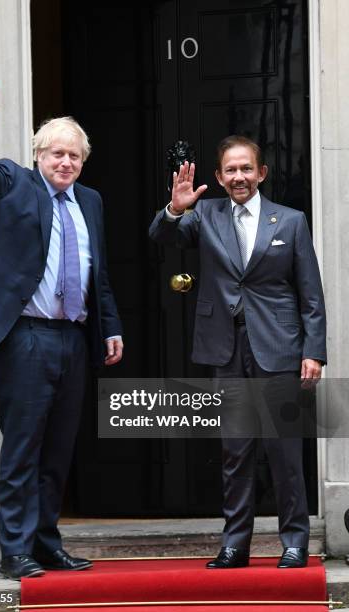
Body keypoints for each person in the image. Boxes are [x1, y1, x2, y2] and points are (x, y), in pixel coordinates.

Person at [0, 75, 123, 580]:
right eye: (56, 154)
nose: (64, 163)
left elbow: (99, 273)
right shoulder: (11, 182)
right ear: (38, 155)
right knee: (24, 447)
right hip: (25, 336)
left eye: (73, 156)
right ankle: (16, 550)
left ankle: (46, 543)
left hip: (73, 337)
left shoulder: (90, 201)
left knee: (58, 449)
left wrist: (110, 326)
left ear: (82, 162)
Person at [149, 135, 326, 569]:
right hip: (226, 348)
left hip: (279, 348)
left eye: (246, 168)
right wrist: (175, 208)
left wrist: (314, 351)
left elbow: (311, 295)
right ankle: (235, 544)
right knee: (236, 450)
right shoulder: (204, 214)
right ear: (219, 176)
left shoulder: (290, 221)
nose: (239, 177)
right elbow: (161, 236)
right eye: (230, 170)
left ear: (261, 173)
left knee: (285, 449)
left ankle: (295, 542)